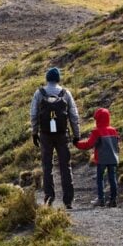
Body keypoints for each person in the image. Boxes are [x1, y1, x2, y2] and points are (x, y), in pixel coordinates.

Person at [30, 67, 80, 209]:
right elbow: (74, 116)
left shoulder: (39, 93)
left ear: (47, 78)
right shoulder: (66, 93)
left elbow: (33, 115)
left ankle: (49, 198)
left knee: (47, 166)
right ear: (58, 79)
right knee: (65, 165)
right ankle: (68, 200)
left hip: (45, 134)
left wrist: (35, 132)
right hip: (62, 134)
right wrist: (77, 135)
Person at [75, 108, 120, 208]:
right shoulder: (113, 131)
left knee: (100, 179)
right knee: (112, 179)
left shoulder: (97, 132)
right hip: (113, 158)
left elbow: (88, 145)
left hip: (101, 159)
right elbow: (117, 144)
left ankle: (101, 199)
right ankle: (113, 200)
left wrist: (77, 144)